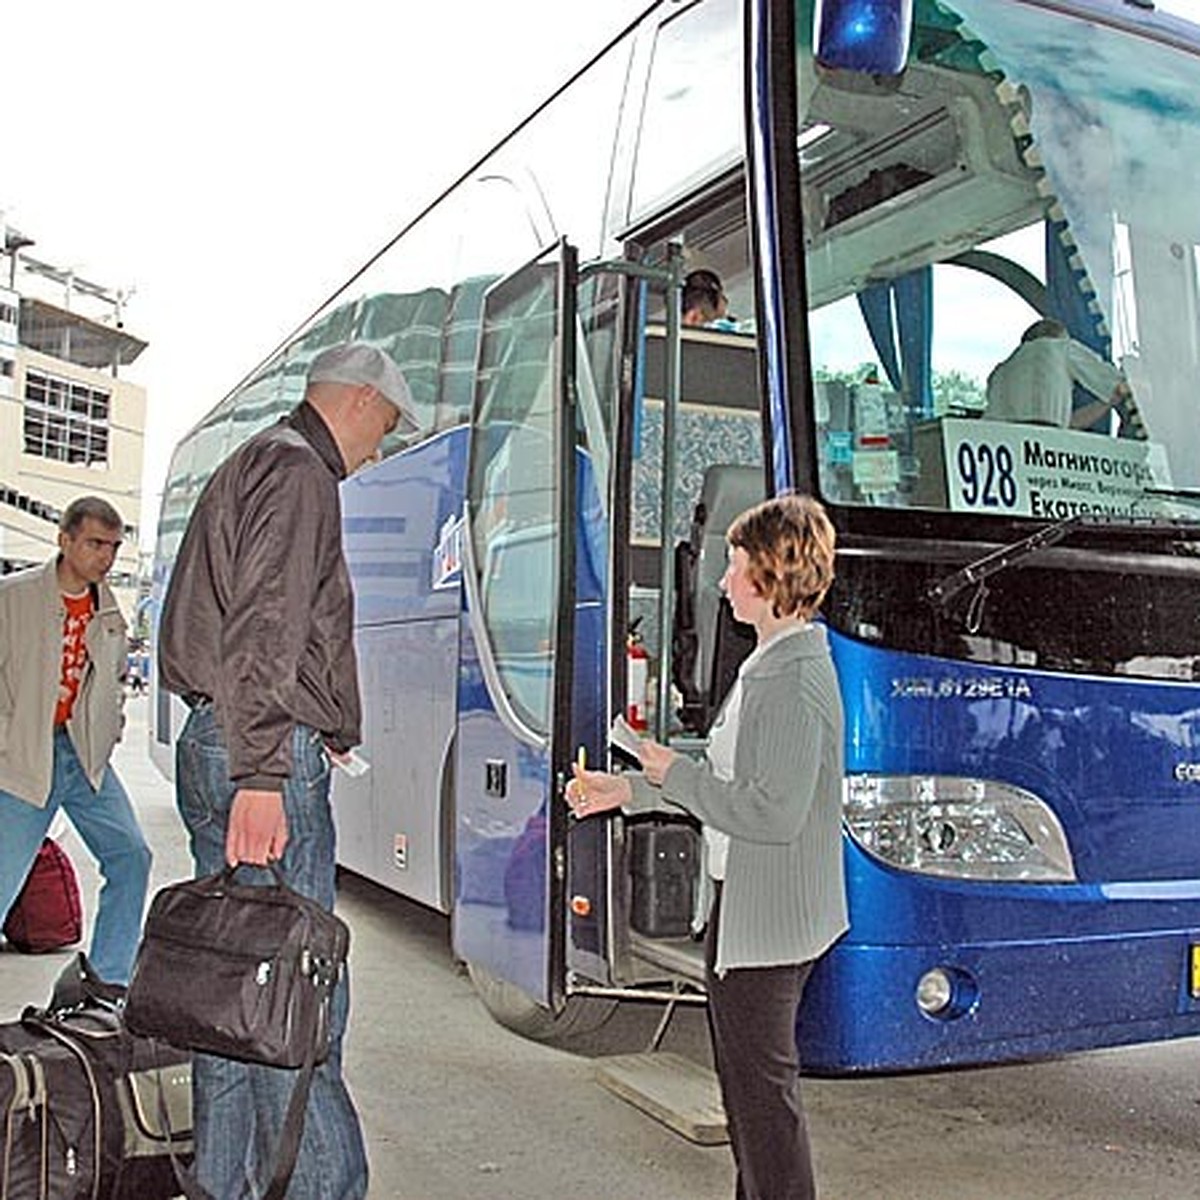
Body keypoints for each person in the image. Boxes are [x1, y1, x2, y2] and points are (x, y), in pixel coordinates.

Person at [158, 341, 418, 1200]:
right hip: (257, 753)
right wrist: (267, 770)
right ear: (356, 400)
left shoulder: (258, 459)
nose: (379, 448)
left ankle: (223, 1186)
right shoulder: (300, 469)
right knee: (291, 1001)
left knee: (229, 995)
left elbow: (257, 623)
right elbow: (266, 621)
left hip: (225, 736)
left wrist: (313, 728)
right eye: (384, 424)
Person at [569, 493, 848, 1200]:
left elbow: (770, 812)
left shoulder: (789, 677)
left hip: (768, 923)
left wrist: (674, 773)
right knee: (755, 1102)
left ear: (771, 575)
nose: (723, 581)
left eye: (735, 565)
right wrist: (628, 790)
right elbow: (730, 782)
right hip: (758, 911)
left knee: (761, 1107)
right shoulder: (773, 663)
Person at [0, 496, 151, 985]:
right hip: (23, 758)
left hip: (84, 758)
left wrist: (111, 731)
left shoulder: (110, 613)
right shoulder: (12, 598)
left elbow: (112, 685)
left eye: (113, 546)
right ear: (64, 540)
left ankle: (108, 983)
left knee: (131, 855)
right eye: (93, 544)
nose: (105, 557)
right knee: (3, 882)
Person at [985, 317, 1135, 430]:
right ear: (1060, 336)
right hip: (1043, 450)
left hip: (1002, 447)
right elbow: (1121, 385)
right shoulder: (1060, 347)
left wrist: (1108, 402)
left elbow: (1067, 423)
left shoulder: (999, 371)